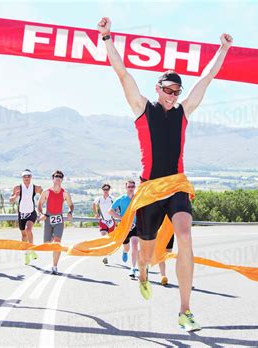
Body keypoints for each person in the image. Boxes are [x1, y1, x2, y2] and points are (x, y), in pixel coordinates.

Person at [98, 16, 232, 331]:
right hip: (149, 189)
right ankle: (142, 271)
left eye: (176, 90)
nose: (172, 95)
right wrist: (107, 37)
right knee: (145, 250)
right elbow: (122, 73)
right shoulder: (143, 108)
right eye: (167, 89)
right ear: (158, 88)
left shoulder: (184, 113)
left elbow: (208, 76)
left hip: (176, 186)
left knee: (185, 235)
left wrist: (223, 48)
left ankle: (185, 310)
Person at [37, 170, 74, 274]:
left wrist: (70, 212)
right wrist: (41, 214)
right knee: (47, 244)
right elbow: (39, 204)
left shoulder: (65, 193)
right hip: (48, 219)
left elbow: (71, 204)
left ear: (62, 179)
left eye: (60, 177)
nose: (58, 178)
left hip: (59, 220)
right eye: (56, 176)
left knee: (57, 244)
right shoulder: (46, 192)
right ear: (52, 179)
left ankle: (54, 266)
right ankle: (52, 237)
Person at [10, 169, 43, 265]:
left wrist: (41, 206)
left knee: (28, 230)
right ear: (22, 177)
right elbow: (11, 200)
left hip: (31, 213)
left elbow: (44, 195)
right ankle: (27, 253)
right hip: (21, 214)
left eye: (28, 176)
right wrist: (15, 196)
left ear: (31, 177)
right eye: (25, 176)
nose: (26, 178)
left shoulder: (35, 188)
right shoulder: (17, 187)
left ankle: (31, 249)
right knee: (24, 236)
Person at [108, 180, 138, 278]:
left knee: (134, 244)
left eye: (132, 186)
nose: (131, 188)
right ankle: (125, 252)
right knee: (127, 247)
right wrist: (121, 218)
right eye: (129, 187)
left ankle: (133, 268)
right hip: (124, 227)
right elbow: (110, 211)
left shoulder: (137, 198)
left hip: (135, 226)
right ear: (126, 188)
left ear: (134, 187)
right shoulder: (121, 199)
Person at [92, 183, 115, 265]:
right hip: (103, 220)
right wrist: (95, 213)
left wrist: (116, 213)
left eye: (107, 189)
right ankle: (105, 256)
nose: (106, 191)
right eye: (104, 189)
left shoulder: (112, 198)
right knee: (104, 238)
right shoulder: (99, 199)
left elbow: (117, 207)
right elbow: (93, 205)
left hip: (111, 221)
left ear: (109, 190)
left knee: (110, 240)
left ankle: (107, 252)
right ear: (102, 190)